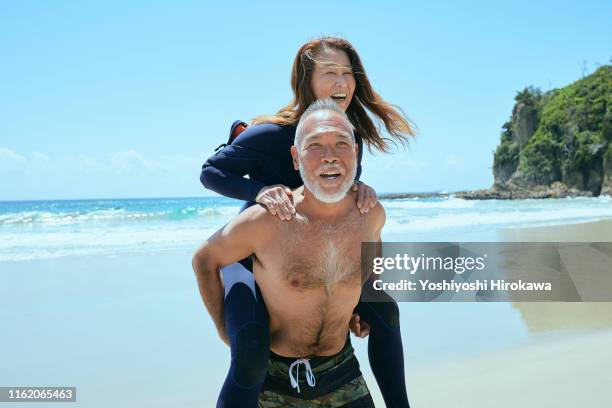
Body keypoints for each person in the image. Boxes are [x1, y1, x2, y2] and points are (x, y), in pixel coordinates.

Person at [199, 36, 414, 407]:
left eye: (348, 73)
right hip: (253, 258)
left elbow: (340, 198)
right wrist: (263, 191)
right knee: (250, 355)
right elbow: (211, 172)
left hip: (313, 250)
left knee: (384, 309)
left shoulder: (348, 134)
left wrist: (360, 188)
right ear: (307, 81)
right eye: (330, 72)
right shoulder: (271, 134)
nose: (342, 82)